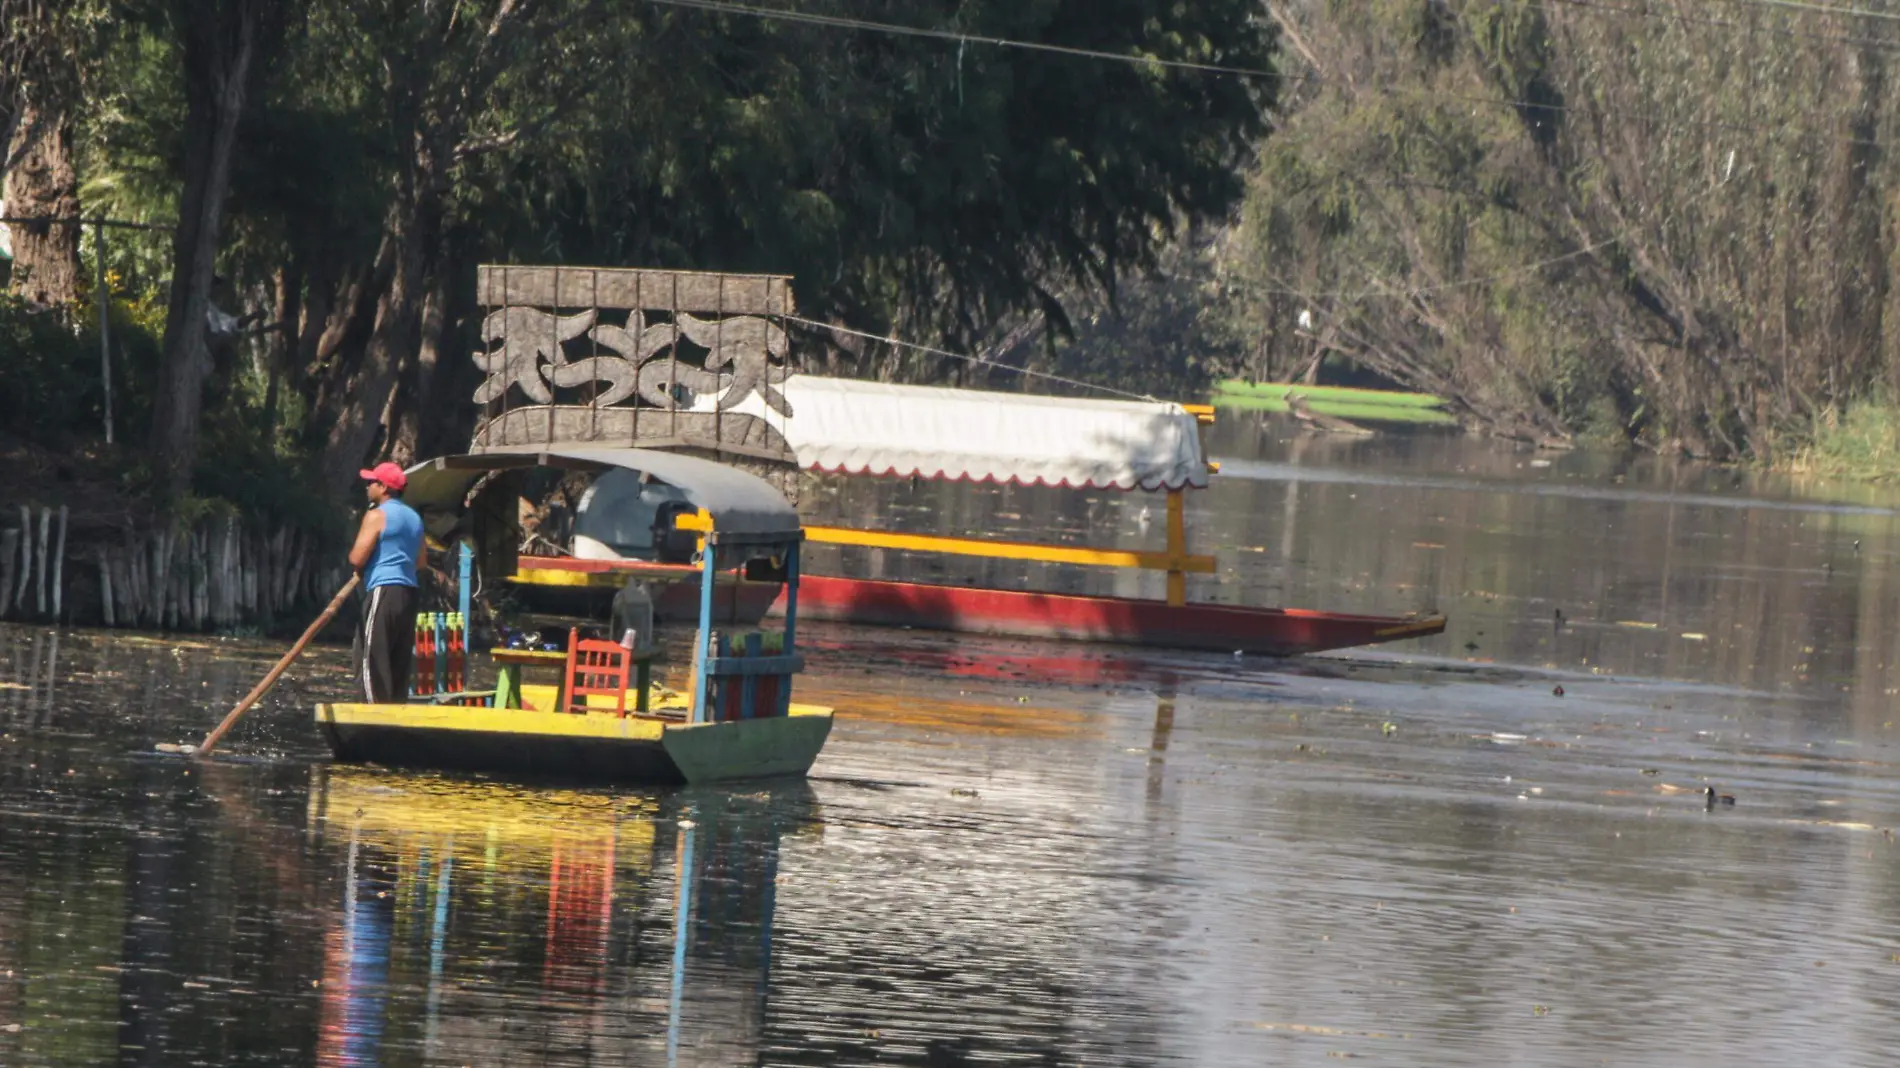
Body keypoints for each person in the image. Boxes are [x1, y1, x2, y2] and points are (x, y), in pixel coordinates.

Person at [348, 461, 423, 703]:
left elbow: (357, 557)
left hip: (384, 590)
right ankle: (394, 711)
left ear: (383, 487)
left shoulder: (377, 515)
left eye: (371, 482)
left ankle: (371, 715)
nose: (368, 486)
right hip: (409, 593)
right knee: (397, 659)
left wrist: (366, 563)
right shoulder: (415, 519)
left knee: (370, 657)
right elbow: (420, 561)